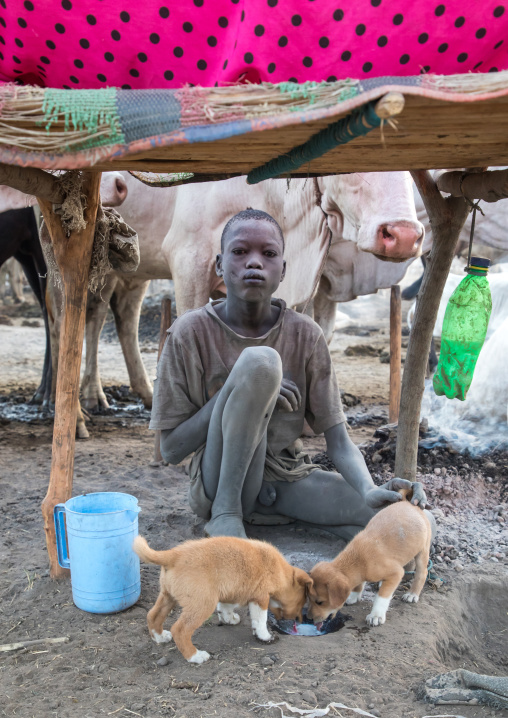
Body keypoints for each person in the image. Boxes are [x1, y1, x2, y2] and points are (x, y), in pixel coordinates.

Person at [150, 209, 429, 539]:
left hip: (285, 478)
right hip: (217, 480)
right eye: (240, 252)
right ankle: (227, 514)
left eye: (268, 254)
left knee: (410, 526)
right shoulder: (189, 333)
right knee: (261, 364)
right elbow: (170, 449)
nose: (254, 263)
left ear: (282, 270)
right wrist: (238, 389)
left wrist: (368, 489)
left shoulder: (306, 335)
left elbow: (338, 441)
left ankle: (281, 516)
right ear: (220, 265)